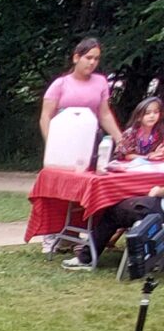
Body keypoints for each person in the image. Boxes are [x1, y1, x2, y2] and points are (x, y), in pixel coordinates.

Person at [67, 97, 164, 267]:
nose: (152, 116)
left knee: (114, 211)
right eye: (148, 113)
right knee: (121, 206)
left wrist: (158, 191)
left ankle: (86, 257)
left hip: (158, 206)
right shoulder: (133, 133)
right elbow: (124, 153)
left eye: (156, 112)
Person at [38, 38, 124, 167]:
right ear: (76, 58)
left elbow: (105, 115)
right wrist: (51, 145)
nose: (92, 62)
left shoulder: (101, 82)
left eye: (96, 59)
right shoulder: (60, 84)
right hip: (64, 140)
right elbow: (45, 117)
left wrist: (120, 139)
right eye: (88, 58)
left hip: (92, 140)